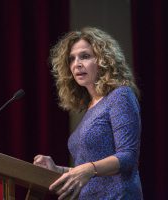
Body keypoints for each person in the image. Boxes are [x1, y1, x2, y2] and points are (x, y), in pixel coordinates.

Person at [33, 27, 143, 199]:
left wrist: (89, 169)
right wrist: (58, 170)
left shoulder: (120, 95)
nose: (77, 64)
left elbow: (128, 157)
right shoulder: (91, 107)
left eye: (85, 56)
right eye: (71, 59)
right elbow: (87, 171)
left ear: (103, 60)